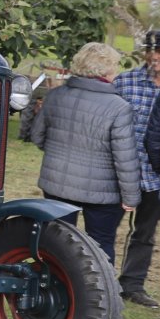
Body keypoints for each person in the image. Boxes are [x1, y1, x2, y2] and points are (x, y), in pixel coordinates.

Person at [28, 41, 140, 268]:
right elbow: (124, 158)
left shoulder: (56, 95)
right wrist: (131, 197)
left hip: (57, 183)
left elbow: (38, 137)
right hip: (102, 191)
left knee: (56, 242)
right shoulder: (119, 107)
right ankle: (98, 289)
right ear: (107, 70)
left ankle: (53, 284)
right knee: (100, 245)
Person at [114, 30, 160, 307]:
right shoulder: (125, 82)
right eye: (150, 50)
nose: (153, 57)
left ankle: (132, 285)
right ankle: (100, 281)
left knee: (145, 233)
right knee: (106, 229)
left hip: (157, 176)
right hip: (121, 170)